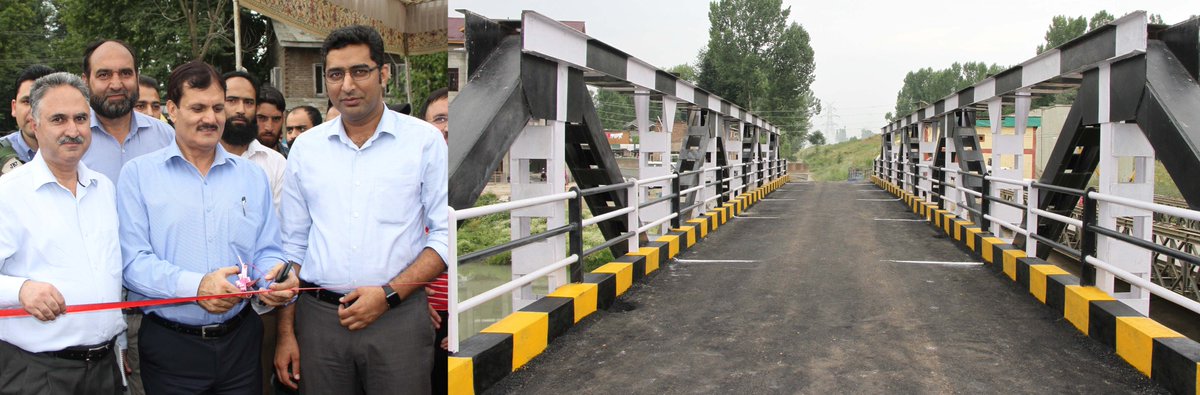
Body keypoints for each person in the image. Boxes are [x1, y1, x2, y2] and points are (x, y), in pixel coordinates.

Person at [276, 25, 447, 394]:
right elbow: (292, 247)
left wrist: (388, 295)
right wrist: (287, 333)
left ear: (384, 73)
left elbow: (446, 237)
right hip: (320, 322)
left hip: (398, 320)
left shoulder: (424, 142)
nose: (347, 85)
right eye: (335, 74)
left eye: (360, 71)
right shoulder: (306, 149)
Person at [117, 61, 299, 394]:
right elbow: (132, 264)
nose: (211, 118)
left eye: (218, 107)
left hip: (242, 341)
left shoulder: (251, 176)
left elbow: (267, 249)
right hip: (171, 346)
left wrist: (276, 278)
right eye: (197, 108)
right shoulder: (138, 176)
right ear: (171, 110)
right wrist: (196, 286)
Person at [0, 72, 126, 394]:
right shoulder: (9, 194)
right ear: (35, 124)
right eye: (59, 119)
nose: (73, 130)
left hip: (105, 368)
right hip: (38, 372)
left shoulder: (104, 188)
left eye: (81, 118)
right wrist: (22, 290)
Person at [79, 39, 175, 185]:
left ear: (136, 77)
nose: (116, 85)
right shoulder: (72, 138)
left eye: (125, 73)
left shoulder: (166, 137)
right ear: (85, 81)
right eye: (104, 75)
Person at [419, 87, 449, 394]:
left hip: (458, 312)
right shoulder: (409, 181)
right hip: (417, 310)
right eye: (438, 119)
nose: (446, 128)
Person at [220, 71, 286, 208]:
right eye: (232, 100)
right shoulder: (200, 157)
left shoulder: (276, 163)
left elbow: (279, 224)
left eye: (248, 102)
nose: (241, 110)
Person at [2, 65, 57, 175]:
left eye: (43, 102)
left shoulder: (79, 150)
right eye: (27, 101)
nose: (34, 111)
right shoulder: (2, 151)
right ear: (14, 107)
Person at [256, 85, 286, 153]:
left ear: (283, 119)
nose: (269, 127)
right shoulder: (235, 160)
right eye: (262, 118)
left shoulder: (292, 158)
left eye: (276, 119)